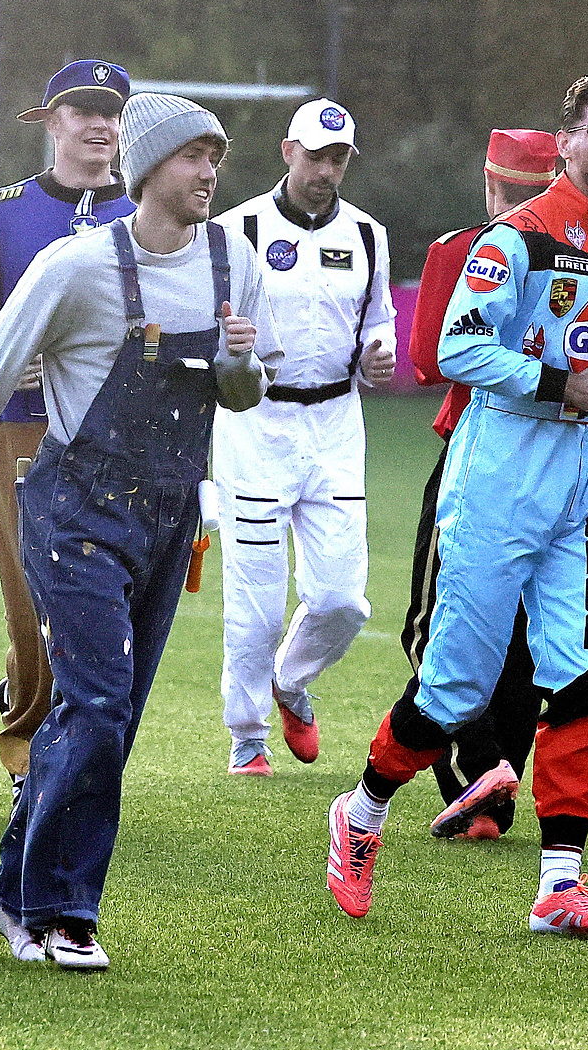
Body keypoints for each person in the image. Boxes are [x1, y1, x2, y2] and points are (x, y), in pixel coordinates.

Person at [0, 92, 279, 971]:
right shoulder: (76, 266)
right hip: (73, 509)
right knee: (95, 706)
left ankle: (8, 888)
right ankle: (58, 910)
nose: (209, 173)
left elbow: (240, 395)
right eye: (194, 156)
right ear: (150, 168)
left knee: (109, 718)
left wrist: (242, 367)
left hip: (168, 512)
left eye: (215, 157)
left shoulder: (233, 264)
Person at [324, 74, 588, 936]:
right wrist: (565, 384)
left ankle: (560, 887)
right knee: (455, 691)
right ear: (568, 142)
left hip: (582, 477)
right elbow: (455, 348)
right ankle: (361, 814)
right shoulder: (515, 239)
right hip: (498, 471)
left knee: (584, 673)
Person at [0, 59, 135, 795]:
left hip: (119, 443)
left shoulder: (150, 215)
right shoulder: (2, 212)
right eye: (81, 108)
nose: (99, 122)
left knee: (107, 610)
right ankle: (30, 754)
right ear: (49, 121)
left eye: (111, 109)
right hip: (19, 435)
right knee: (31, 605)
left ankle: (44, 711)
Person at [212, 97, 394, 777]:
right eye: (315, 155)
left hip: (337, 427)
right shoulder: (238, 231)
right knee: (256, 602)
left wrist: (380, 353)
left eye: (338, 157)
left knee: (344, 600)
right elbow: (206, 326)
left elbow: (379, 322)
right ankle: (247, 735)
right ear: (288, 150)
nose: (325, 169)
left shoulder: (369, 235)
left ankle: (291, 679)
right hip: (255, 426)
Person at [399, 128, 561, 837]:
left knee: (434, 620)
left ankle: (481, 769)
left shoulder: (460, 249)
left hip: (479, 458)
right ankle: (495, 791)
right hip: (567, 465)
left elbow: (430, 361)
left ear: (488, 185)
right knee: (527, 634)